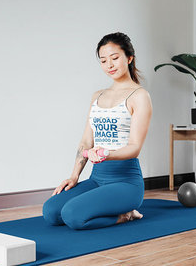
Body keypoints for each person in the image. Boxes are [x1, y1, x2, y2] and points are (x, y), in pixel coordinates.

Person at [42, 32, 152, 230]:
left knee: (72, 215)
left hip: (126, 183)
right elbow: (86, 142)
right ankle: (112, 209)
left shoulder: (140, 96)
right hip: (96, 179)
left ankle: (126, 215)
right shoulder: (97, 96)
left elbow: (135, 148)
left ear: (129, 57)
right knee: (51, 211)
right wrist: (74, 176)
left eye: (115, 58)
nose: (109, 65)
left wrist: (106, 154)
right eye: (103, 60)